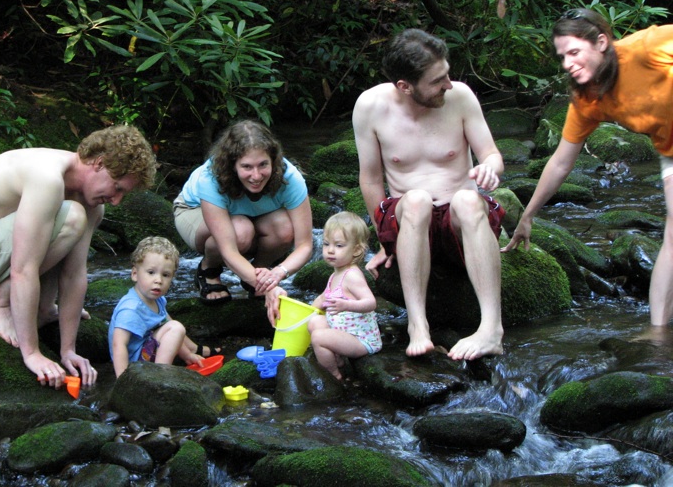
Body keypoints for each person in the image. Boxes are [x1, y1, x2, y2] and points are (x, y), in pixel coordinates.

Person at [0, 125, 156, 389]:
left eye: (123, 194)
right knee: (71, 216)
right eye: (117, 187)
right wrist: (32, 354)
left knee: (72, 217)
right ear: (99, 163)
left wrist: (67, 350)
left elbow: (74, 274)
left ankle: (44, 307)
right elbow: (23, 269)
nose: (116, 200)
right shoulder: (48, 177)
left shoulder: (91, 206)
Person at [503, 8, 673, 329]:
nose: (567, 64)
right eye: (562, 56)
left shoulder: (646, 48)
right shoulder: (586, 99)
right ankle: (657, 334)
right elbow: (561, 162)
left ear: (601, 42)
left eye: (574, 52)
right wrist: (527, 215)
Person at [352, 28, 506, 361]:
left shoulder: (461, 97)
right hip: (410, 219)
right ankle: (417, 326)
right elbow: (371, 179)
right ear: (405, 87)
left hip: (461, 222)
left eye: (447, 74)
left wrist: (490, 169)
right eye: (438, 80)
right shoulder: (370, 107)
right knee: (418, 198)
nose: (448, 85)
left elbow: (491, 154)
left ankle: (491, 328)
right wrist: (383, 240)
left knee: (468, 199)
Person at [173, 120, 313, 304]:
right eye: (247, 167)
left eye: (263, 165)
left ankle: (257, 271)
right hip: (193, 211)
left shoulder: (290, 177)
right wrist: (270, 289)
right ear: (233, 165)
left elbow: (305, 245)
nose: (256, 176)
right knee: (241, 230)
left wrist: (276, 274)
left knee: (285, 228)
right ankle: (209, 270)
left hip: (250, 215)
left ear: (273, 160)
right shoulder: (211, 178)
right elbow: (228, 250)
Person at [109, 236, 215, 377]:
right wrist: (122, 381)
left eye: (165, 275)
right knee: (176, 327)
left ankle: (160, 371)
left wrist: (187, 355)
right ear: (135, 274)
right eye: (151, 272)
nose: (158, 280)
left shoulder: (158, 300)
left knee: (174, 327)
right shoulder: (131, 309)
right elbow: (118, 345)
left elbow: (168, 328)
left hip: (144, 355)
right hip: (133, 367)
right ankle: (161, 376)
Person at [307, 212, 382, 379]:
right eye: (326, 244)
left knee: (318, 337)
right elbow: (321, 300)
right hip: (343, 331)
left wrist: (346, 305)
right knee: (314, 322)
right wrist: (303, 314)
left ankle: (334, 375)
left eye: (339, 246)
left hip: (361, 340)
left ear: (356, 250)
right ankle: (338, 358)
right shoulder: (335, 275)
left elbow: (371, 302)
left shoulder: (352, 275)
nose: (330, 250)